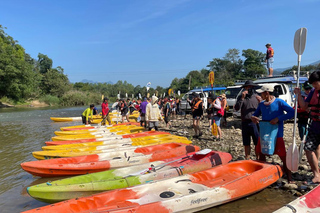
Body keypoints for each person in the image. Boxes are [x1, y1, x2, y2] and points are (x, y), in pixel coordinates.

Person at [251, 84, 294, 182]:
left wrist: (278, 118)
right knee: (260, 152)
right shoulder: (262, 104)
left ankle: (289, 176)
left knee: (282, 155)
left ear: (267, 93)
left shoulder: (279, 102)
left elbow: (292, 112)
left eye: (261, 93)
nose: (260, 95)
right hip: (264, 133)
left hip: (277, 133)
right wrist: (253, 117)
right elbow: (255, 114)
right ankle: (262, 174)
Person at [294, 71, 320, 184]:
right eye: (313, 83)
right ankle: (317, 175)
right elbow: (304, 107)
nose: (313, 86)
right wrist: (298, 94)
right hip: (315, 125)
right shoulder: (313, 92)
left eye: (315, 83)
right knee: (308, 148)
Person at [234, 80, 261, 160]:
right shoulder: (241, 97)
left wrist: (261, 102)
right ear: (245, 88)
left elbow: (263, 109)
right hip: (245, 122)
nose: (249, 89)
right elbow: (237, 108)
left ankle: (258, 158)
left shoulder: (257, 97)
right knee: (246, 142)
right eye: (247, 87)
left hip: (254, 122)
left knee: (257, 141)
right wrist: (242, 98)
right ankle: (247, 157)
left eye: (250, 87)